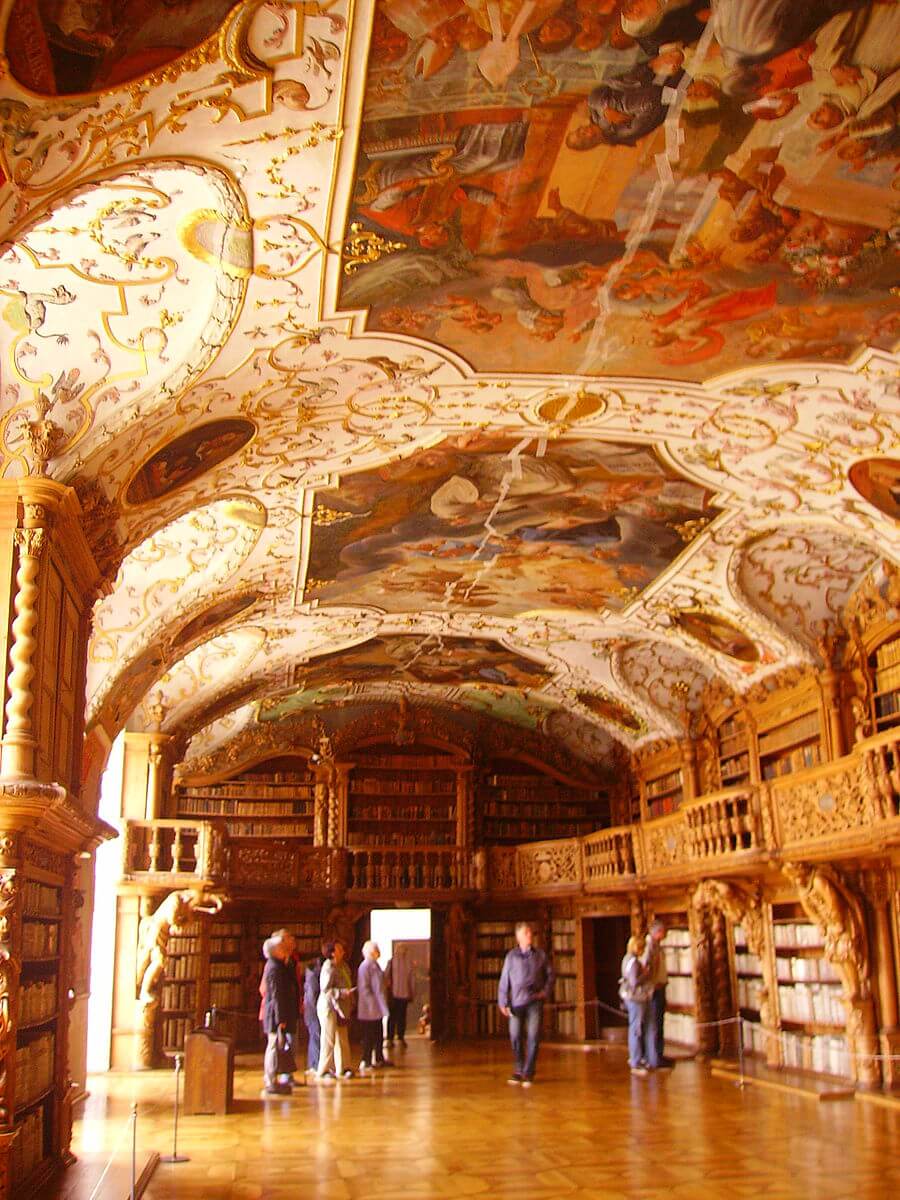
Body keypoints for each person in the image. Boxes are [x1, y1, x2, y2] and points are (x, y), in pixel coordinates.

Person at [498, 921, 554, 1087]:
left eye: (531, 933)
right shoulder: (511, 957)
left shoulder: (541, 955)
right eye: (527, 933)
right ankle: (518, 1069)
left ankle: (529, 1072)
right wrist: (503, 1001)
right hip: (516, 1002)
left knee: (533, 1036)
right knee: (515, 1036)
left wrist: (545, 992)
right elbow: (504, 981)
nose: (530, 936)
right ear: (519, 937)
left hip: (534, 1002)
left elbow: (551, 975)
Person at [261, 931, 300, 1095]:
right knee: (273, 1046)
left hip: (280, 1013)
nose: (286, 949)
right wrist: (280, 1018)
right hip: (276, 1015)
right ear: (276, 950)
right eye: (282, 947)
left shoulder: (281, 964)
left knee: (277, 1046)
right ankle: (270, 1081)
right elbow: (276, 994)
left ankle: (275, 1079)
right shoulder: (273, 967)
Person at [316, 939, 356, 1081]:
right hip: (329, 1007)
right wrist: (342, 993)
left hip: (342, 1007)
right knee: (329, 1039)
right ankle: (324, 1070)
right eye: (339, 949)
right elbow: (325, 989)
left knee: (342, 1037)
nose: (343, 951)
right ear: (332, 953)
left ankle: (344, 1068)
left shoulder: (343, 966)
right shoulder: (328, 967)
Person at [619, 935, 654, 1077]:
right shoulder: (633, 961)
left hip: (631, 997)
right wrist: (645, 974)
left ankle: (637, 1058)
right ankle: (635, 1061)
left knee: (635, 1027)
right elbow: (634, 982)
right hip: (636, 998)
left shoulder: (627, 958)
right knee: (636, 1029)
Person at [643, 919, 674, 1068]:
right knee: (654, 1025)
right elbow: (645, 968)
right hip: (654, 990)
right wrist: (652, 985)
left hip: (660, 987)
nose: (665, 934)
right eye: (664, 931)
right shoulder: (649, 947)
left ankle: (659, 1055)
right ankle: (654, 1058)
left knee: (659, 1024)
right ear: (658, 932)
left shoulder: (656, 946)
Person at [357, 940, 391, 1072]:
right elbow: (365, 988)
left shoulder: (375, 965)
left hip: (376, 1007)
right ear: (372, 952)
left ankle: (379, 1058)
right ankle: (365, 1060)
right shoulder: (365, 966)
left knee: (378, 1034)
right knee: (368, 1036)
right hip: (369, 1007)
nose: (379, 952)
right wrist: (374, 1004)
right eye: (377, 950)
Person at [385, 944, 416, 1046]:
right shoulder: (392, 962)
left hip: (400, 994)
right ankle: (393, 1037)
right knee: (396, 1017)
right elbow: (386, 976)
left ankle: (397, 1037)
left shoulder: (406, 963)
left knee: (398, 1017)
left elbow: (411, 979)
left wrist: (412, 992)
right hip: (397, 994)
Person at [303, 951, 323, 1075]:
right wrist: (317, 1009)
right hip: (313, 1010)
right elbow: (312, 996)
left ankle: (314, 1063)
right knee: (316, 1036)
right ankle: (315, 1065)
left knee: (315, 1036)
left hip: (311, 1009)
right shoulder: (313, 976)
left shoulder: (311, 974)